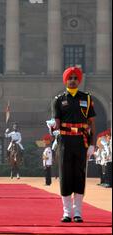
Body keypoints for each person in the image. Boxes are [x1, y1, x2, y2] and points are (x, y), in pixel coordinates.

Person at [53, 66, 96, 223]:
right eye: (70, 78)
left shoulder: (87, 98)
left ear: (79, 80)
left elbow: (91, 123)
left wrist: (92, 144)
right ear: (65, 80)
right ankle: (66, 212)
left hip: (81, 141)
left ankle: (78, 212)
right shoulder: (59, 100)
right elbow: (57, 124)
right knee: (65, 176)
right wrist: (52, 126)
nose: (72, 80)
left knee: (79, 176)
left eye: (75, 78)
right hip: (65, 141)